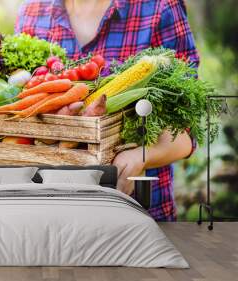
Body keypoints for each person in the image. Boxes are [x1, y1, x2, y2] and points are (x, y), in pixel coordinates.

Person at [15, 0, 199, 221]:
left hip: (136, 215)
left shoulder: (159, 9)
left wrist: (140, 157)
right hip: (51, 213)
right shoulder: (33, 12)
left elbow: (186, 133)